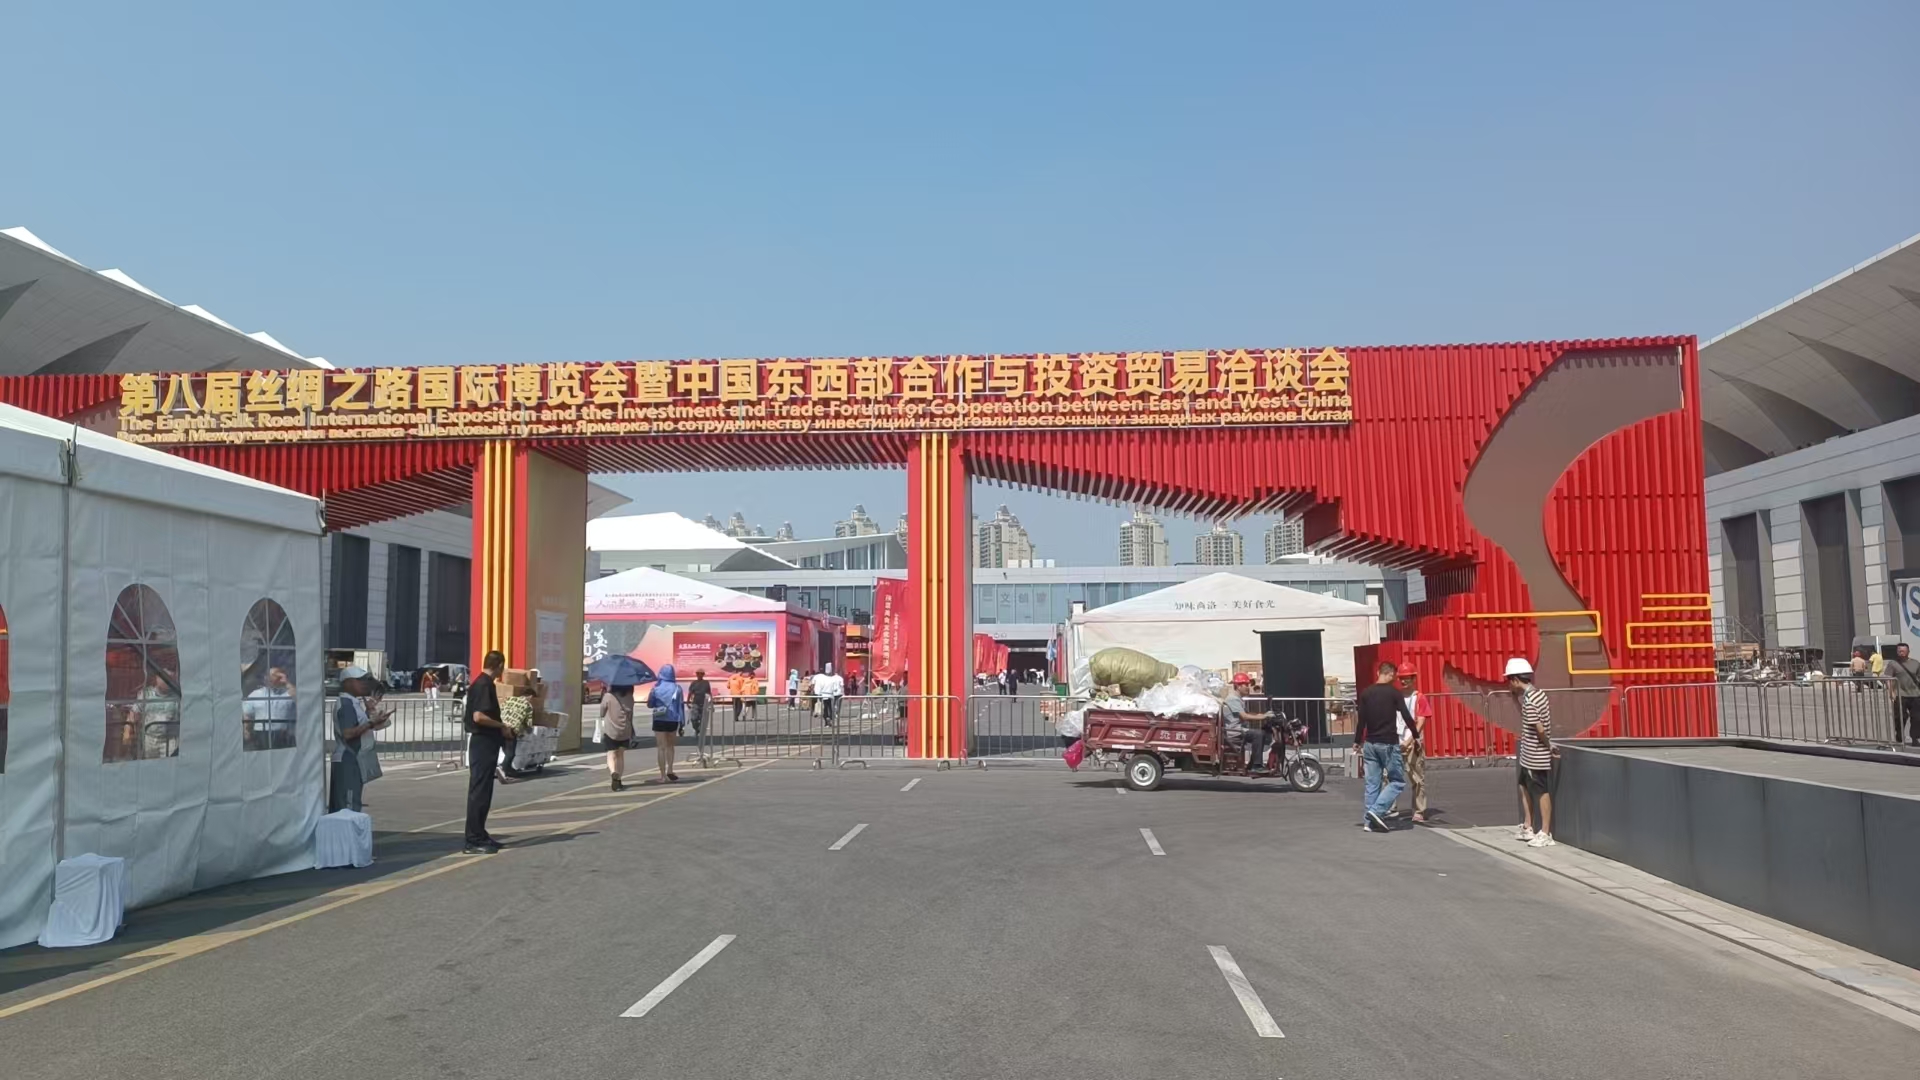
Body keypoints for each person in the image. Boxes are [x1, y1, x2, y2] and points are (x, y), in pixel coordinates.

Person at [462, 651, 516, 854]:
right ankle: (473, 840)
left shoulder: (483, 683)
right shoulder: (484, 685)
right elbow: (479, 716)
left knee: (484, 792)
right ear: (499, 665)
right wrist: (502, 725)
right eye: (503, 666)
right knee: (479, 792)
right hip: (482, 742)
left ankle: (480, 834)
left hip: (486, 743)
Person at [1353, 661, 1413, 833]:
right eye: (1395, 676)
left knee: (1372, 784)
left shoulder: (1366, 693)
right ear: (1390, 674)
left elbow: (1361, 720)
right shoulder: (1394, 693)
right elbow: (1406, 715)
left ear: (1378, 672)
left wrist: (1357, 741)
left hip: (1370, 743)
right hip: (1388, 743)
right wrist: (1415, 735)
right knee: (1397, 781)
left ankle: (1368, 822)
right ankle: (1377, 811)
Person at [1507, 657, 1556, 847]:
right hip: (1530, 753)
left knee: (1541, 790)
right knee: (1524, 785)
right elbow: (1529, 718)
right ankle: (1528, 826)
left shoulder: (1530, 701)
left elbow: (1539, 728)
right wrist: (1515, 700)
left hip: (1535, 753)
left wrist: (1548, 745)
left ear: (1515, 680)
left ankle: (1545, 832)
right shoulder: (1536, 695)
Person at [330, 666, 388, 812]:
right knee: (348, 805)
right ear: (347, 682)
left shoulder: (353, 703)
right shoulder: (346, 704)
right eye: (360, 680)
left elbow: (357, 726)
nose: (364, 684)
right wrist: (371, 723)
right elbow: (348, 733)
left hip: (353, 758)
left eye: (365, 681)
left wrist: (369, 713)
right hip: (348, 758)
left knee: (351, 802)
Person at [1397, 666, 1432, 822]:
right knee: (1388, 776)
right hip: (1396, 739)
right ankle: (1389, 807)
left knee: (1417, 778)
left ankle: (1419, 810)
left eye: (1407, 678)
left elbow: (1421, 721)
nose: (1403, 681)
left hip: (1412, 740)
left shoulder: (1419, 698)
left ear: (1413, 679)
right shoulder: (1395, 696)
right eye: (1401, 678)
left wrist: (1409, 740)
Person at [647, 664, 687, 783]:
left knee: (661, 748)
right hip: (673, 719)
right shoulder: (677, 688)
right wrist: (682, 723)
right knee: (670, 746)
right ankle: (670, 769)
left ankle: (663, 776)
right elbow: (680, 706)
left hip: (659, 719)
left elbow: (650, 704)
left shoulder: (656, 688)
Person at [243, 666, 297, 750]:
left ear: (280, 677)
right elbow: (247, 715)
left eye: (274, 675)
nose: (269, 678)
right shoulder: (255, 694)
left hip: (283, 735)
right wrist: (246, 730)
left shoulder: (288, 693)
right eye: (268, 675)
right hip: (261, 734)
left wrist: (287, 682)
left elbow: (301, 699)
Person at [134, 671, 181, 759]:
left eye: (170, 678)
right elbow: (135, 712)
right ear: (157, 678)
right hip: (149, 739)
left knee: (169, 763)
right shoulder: (146, 694)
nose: (167, 681)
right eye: (164, 677)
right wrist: (129, 732)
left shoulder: (177, 695)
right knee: (150, 764)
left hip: (170, 740)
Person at [599, 679, 636, 791]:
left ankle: (613, 772)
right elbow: (631, 715)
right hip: (625, 730)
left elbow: (601, 713)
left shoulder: (608, 696)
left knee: (611, 753)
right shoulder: (630, 698)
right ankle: (619, 780)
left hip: (611, 730)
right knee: (620, 755)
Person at [1886, 643, 1920, 746]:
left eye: (1903, 651)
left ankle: (1915, 738)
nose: (1901, 653)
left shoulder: (1915, 663)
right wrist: (1891, 693)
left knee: (1917, 718)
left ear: (1908, 651)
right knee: (1901, 717)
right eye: (1899, 651)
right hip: (1900, 695)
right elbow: (1888, 679)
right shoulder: (1893, 664)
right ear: (1897, 652)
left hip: (1915, 694)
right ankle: (1900, 736)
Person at [687, 670, 712, 736]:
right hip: (695, 703)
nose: (699, 675)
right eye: (698, 673)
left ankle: (700, 729)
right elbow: (690, 693)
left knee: (702, 719)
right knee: (693, 719)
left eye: (701, 674)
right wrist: (687, 702)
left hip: (704, 703)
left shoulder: (706, 683)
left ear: (703, 675)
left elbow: (709, 693)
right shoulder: (694, 683)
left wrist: (711, 702)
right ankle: (696, 728)